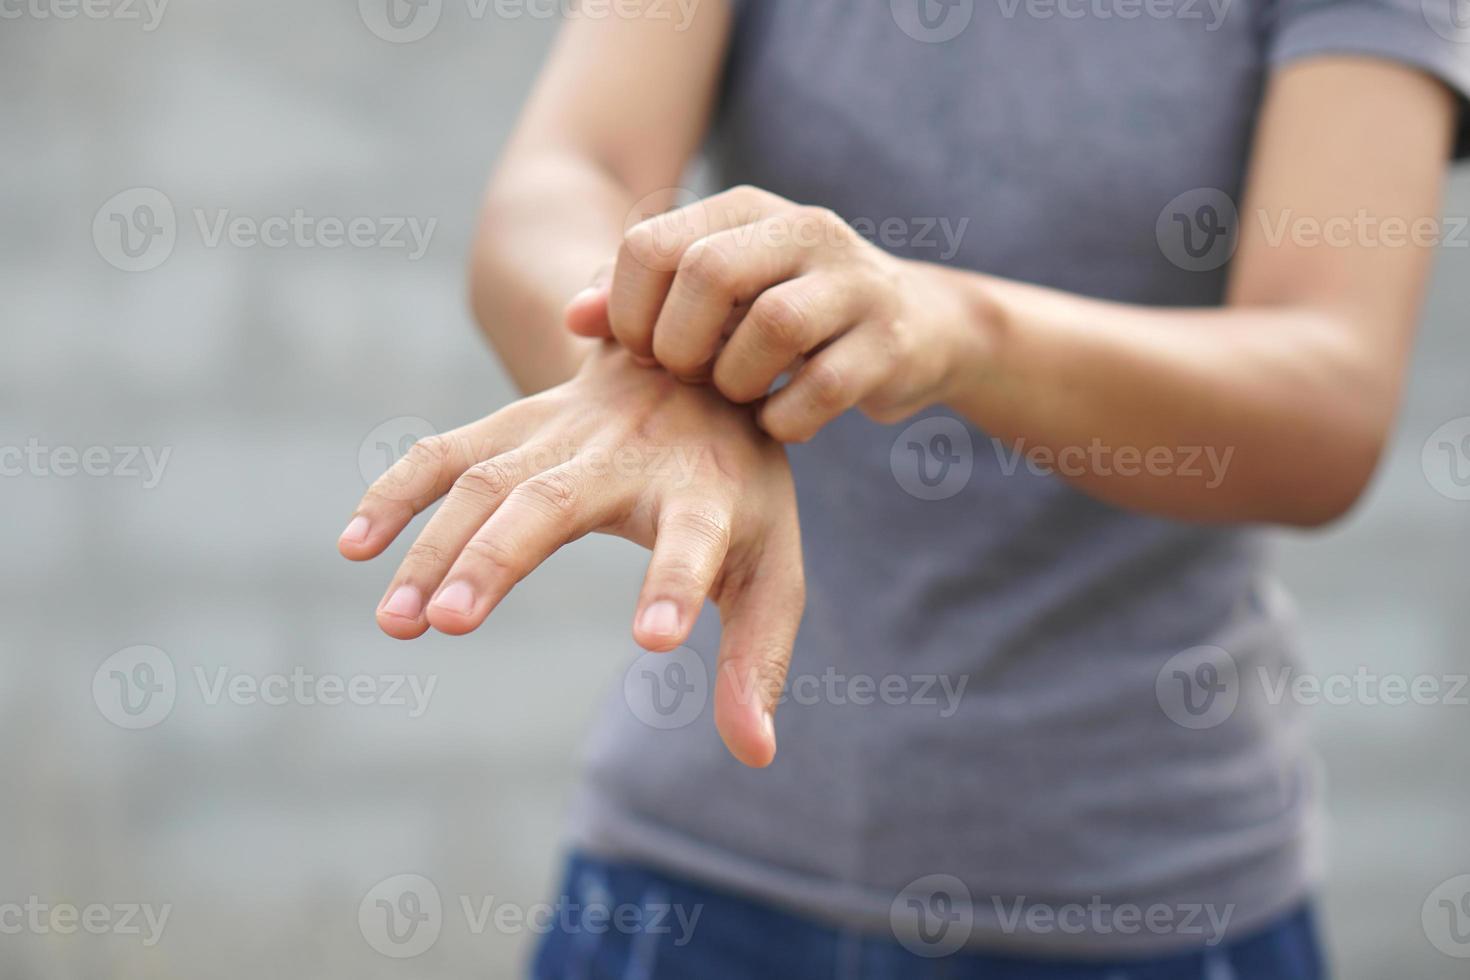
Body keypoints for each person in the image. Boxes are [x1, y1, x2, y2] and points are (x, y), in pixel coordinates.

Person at [339, 1, 1469, 975]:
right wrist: (628, 357)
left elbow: (1327, 394)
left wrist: (951, 327)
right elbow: (567, 172)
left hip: (1145, 904)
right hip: (694, 880)